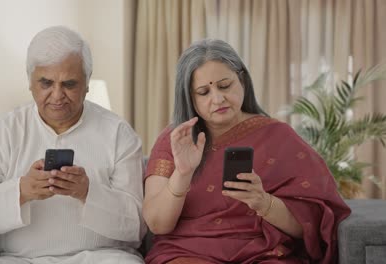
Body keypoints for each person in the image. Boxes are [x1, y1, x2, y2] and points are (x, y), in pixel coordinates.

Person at [0, 26, 146, 264]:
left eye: (69, 84)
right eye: (46, 83)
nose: (57, 95)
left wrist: (87, 192)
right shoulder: (2, 133)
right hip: (19, 260)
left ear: (87, 83)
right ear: (30, 82)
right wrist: (20, 191)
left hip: (103, 258)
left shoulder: (119, 134)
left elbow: (137, 226)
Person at [142, 39, 351, 264]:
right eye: (203, 92)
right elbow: (157, 224)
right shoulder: (176, 139)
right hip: (188, 254)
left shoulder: (279, 137)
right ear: (189, 98)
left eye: (224, 86)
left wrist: (264, 202)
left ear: (241, 80)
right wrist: (182, 174)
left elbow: (310, 227)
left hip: (264, 253)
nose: (218, 98)